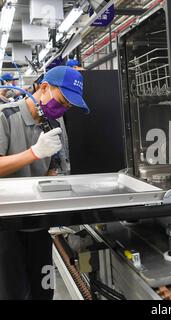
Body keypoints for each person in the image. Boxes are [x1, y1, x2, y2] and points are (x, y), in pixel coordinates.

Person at [0, 66, 90, 300]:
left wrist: (56, 180)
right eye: (62, 101)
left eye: (68, 107)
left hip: (39, 225)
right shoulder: (6, 116)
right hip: (7, 227)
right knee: (13, 293)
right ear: (43, 88)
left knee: (43, 292)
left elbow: (54, 168)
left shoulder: (55, 124)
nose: (63, 109)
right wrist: (34, 152)